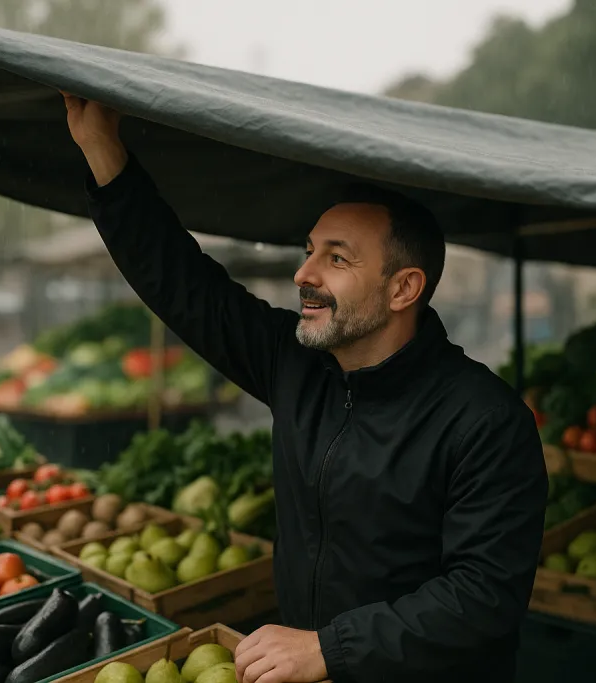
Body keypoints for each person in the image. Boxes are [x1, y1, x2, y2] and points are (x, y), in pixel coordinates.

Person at [61, 93, 548, 683]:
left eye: (336, 258)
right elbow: (184, 285)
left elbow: (482, 596)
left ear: (403, 289)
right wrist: (101, 149)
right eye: (309, 251)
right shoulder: (296, 366)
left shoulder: (485, 421)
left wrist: (328, 650)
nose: (303, 274)